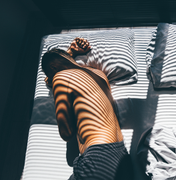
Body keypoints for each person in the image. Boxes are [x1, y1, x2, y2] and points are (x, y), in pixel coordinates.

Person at [41, 38, 130, 180]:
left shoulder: (60, 77)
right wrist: (70, 53)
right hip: (121, 155)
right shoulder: (99, 74)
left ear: (52, 69)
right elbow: (50, 78)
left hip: (98, 155)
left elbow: (67, 133)